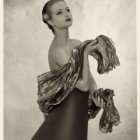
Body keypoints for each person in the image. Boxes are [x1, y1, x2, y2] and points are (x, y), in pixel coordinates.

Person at [32, 0, 104, 139]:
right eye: (59, 12)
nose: (66, 14)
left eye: (67, 10)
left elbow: (89, 81)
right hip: (66, 114)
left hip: (78, 111)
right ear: (50, 21)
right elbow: (83, 86)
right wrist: (84, 53)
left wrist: (95, 94)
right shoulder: (57, 51)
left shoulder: (76, 43)